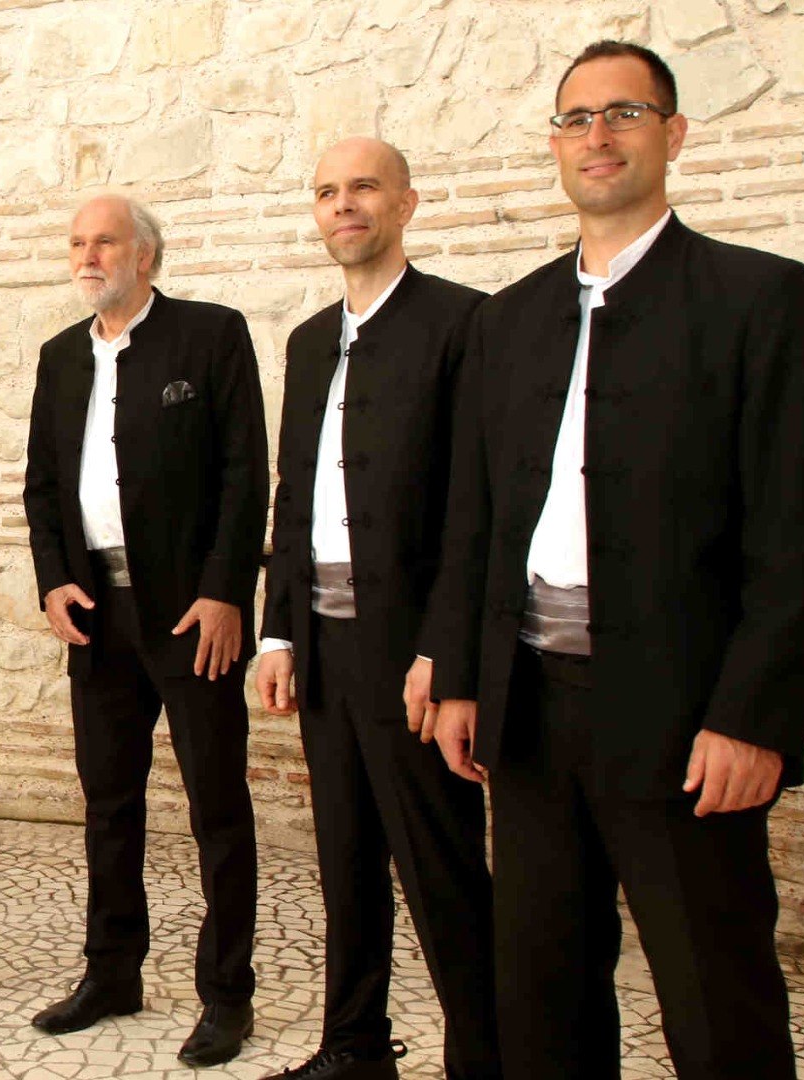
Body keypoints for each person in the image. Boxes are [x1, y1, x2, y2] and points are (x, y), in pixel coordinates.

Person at [415, 41, 804, 1079]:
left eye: (624, 114)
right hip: (530, 713)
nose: (596, 136)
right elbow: (475, 522)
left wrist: (753, 717)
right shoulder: (505, 320)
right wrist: (461, 676)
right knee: (542, 993)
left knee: (715, 999)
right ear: (556, 146)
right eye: (575, 119)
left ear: (673, 135)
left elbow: (791, 535)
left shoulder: (759, 298)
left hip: (685, 715)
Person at [254, 138, 499, 1080]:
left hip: (411, 655)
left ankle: (487, 1059)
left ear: (406, 203)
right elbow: (294, 493)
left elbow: (476, 507)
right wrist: (279, 628)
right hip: (323, 645)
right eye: (327, 191)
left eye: (363, 187)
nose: (343, 204)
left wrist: (445, 651)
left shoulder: (462, 322)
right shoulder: (309, 339)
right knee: (346, 860)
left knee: (442, 871)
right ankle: (354, 1048)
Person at [23, 194, 269, 1067]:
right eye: (78, 243)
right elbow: (42, 485)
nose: (88, 256)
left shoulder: (211, 335)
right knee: (108, 802)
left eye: (106, 242)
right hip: (97, 615)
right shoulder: (60, 357)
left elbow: (245, 471)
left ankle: (227, 995)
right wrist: (54, 580)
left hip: (191, 613)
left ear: (146, 256)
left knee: (217, 805)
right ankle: (112, 973)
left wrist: (225, 592)